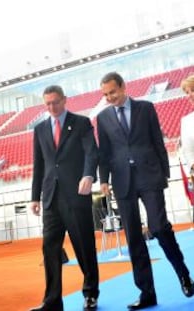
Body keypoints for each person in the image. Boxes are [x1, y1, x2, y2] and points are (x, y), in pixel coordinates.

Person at [97, 72, 194, 310]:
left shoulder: (146, 108)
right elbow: (104, 152)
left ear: (123, 87)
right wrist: (104, 180)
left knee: (159, 227)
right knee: (134, 238)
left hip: (149, 176)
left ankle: (183, 274)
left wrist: (163, 174)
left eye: (112, 92)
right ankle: (146, 293)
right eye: (105, 94)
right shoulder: (102, 118)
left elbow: (157, 142)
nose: (109, 97)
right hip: (122, 181)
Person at [30, 85, 99, 311]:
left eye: (55, 102)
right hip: (50, 198)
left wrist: (88, 174)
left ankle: (90, 293)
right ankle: (52, 301)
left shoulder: (81, 123)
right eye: (47, 103)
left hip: (76, 195)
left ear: (65, 100)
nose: (52, 107)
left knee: (84, 246)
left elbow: (91, 151)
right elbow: (39, 165)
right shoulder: (39, 129)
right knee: (50, 249)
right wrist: (35, 197)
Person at [180, 75, 194, 181]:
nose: (190, 95)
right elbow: (188, 152)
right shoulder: (186, 121)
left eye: (193, 90)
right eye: (187, 92)